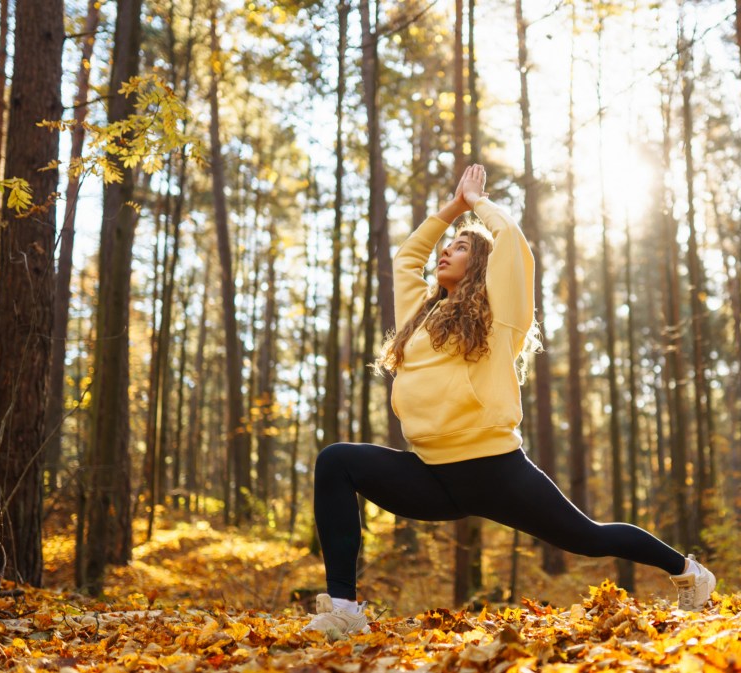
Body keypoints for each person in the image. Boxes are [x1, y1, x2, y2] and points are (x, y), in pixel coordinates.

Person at [304, 164, 716, 639]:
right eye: (448, 245)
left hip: (494, 469)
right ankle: (344, 608)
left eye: (460, 247)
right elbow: (405, 258)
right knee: (336, 462)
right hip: (431, 474)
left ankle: (688, 571)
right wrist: (451, 210)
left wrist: (477, 203)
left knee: (588, 538)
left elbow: (514, 243)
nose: (445, 250)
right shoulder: (420, 314)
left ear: (479, 264)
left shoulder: (499, 316)